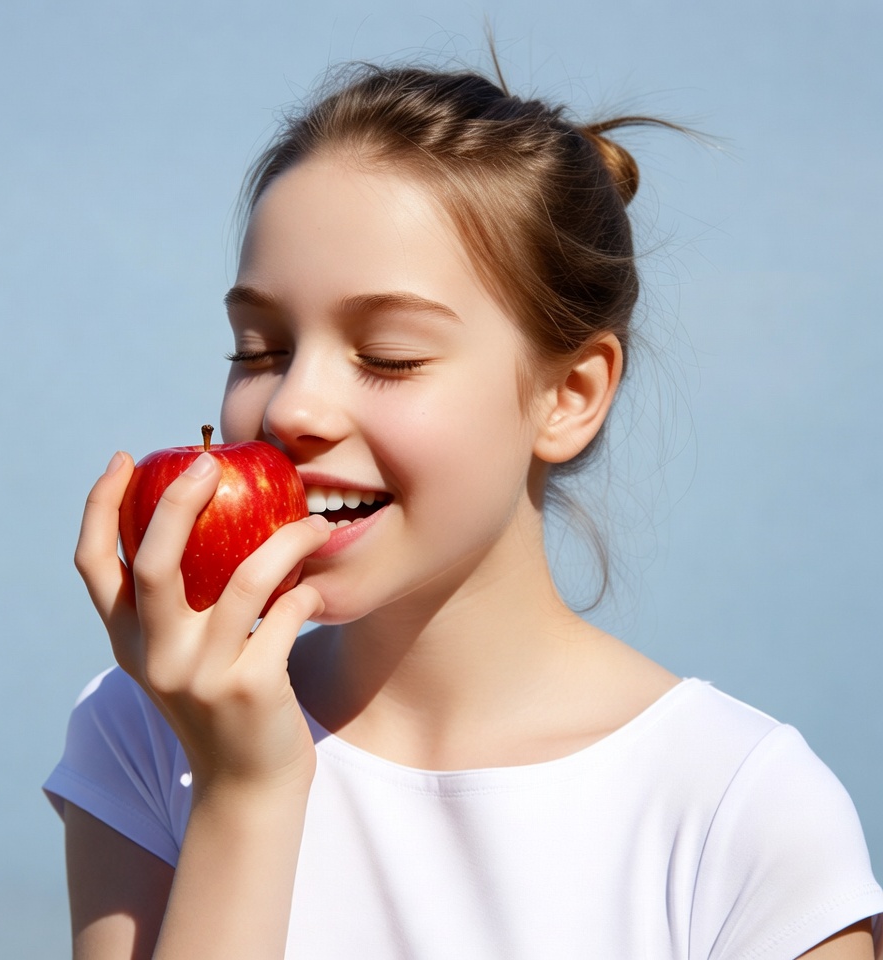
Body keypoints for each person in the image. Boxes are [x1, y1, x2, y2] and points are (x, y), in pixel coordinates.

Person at [44, 60, 883, 959]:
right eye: (262, 348)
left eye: (391, 355)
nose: (291, 408)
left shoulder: (738, 811)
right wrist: (243, 793)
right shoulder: (148, 737)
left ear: (568, 395)